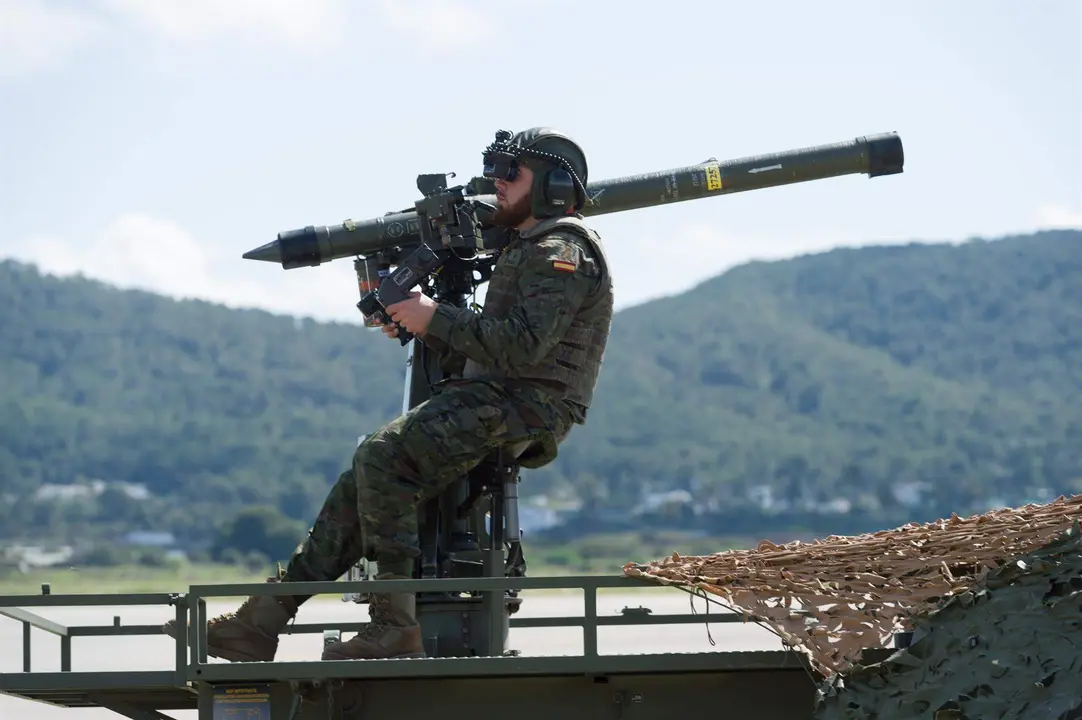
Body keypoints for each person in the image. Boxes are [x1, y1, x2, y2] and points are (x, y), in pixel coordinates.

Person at [163, 127, 614, 663]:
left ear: (555, 186)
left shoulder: (561, 250)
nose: (497, 182)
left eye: (511, 173)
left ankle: (395, 627)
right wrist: (422, 325)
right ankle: (261, 621)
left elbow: (522, 349)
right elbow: (492, 350)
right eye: (495, 169)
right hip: (501, 394)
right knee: (364, 482)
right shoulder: (529, 248)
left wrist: (433, 316)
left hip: (530, 404)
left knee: (383, 455)